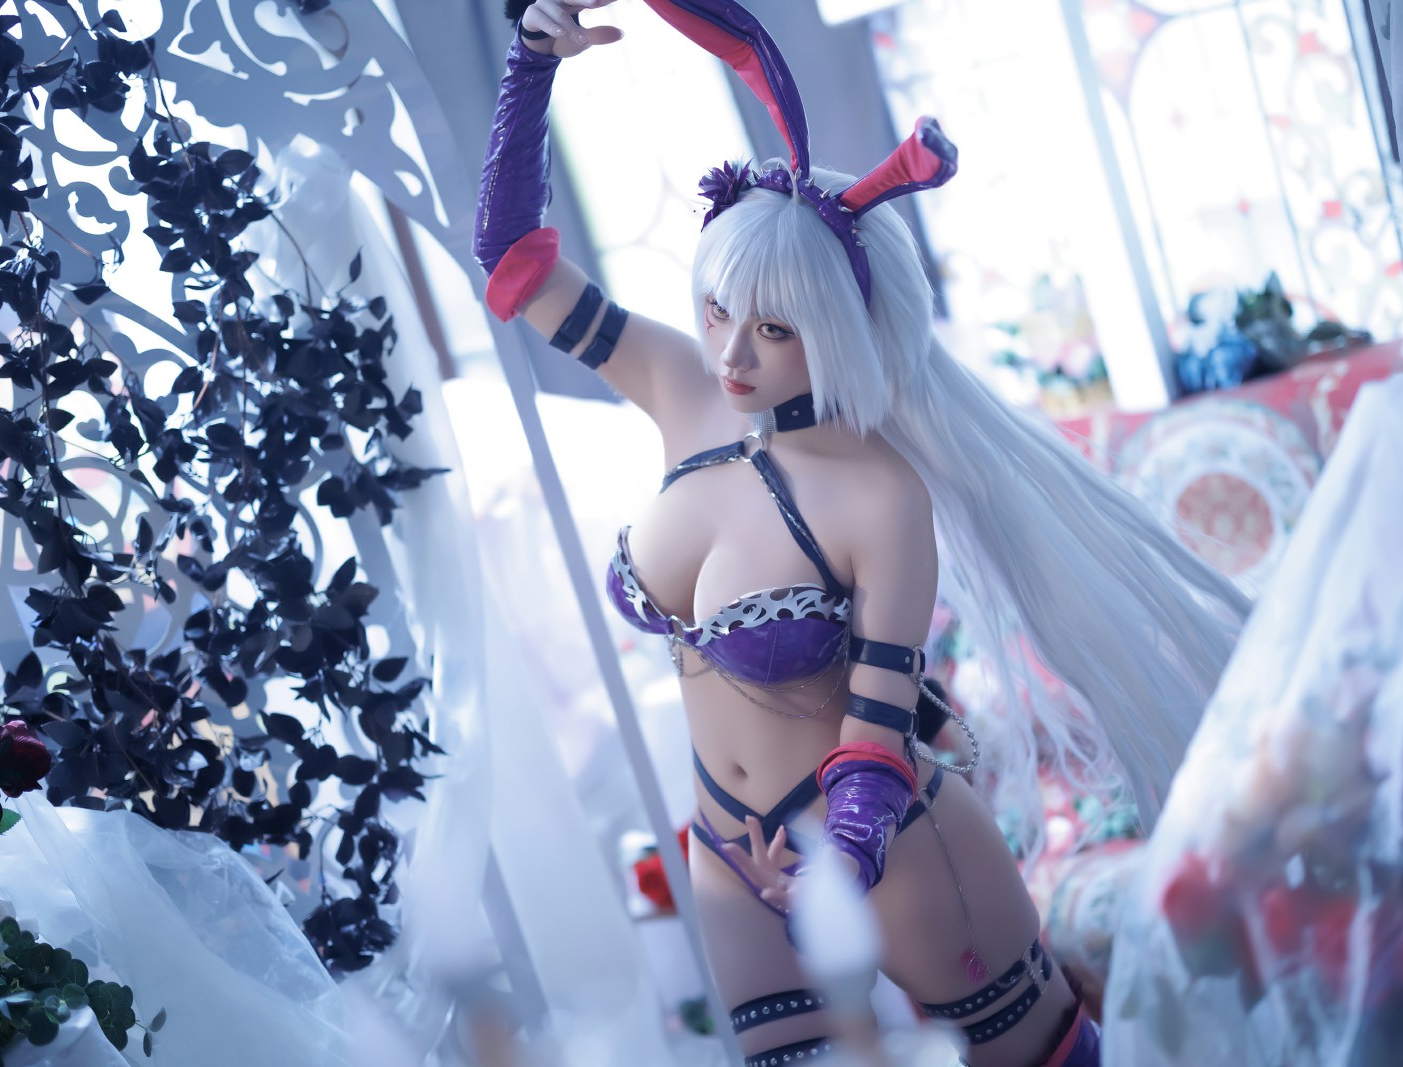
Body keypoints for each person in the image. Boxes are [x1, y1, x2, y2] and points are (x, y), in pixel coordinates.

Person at [474, 2, 1248, 1063]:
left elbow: (878, 733)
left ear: (837, 329)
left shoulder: (882, 494)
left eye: (775, 328)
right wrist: (530, 67)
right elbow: (513, 260)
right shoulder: (680, 383)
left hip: (892, 848)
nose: (732, 353)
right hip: (728, 853)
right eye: (718, 310)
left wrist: (840, 861)